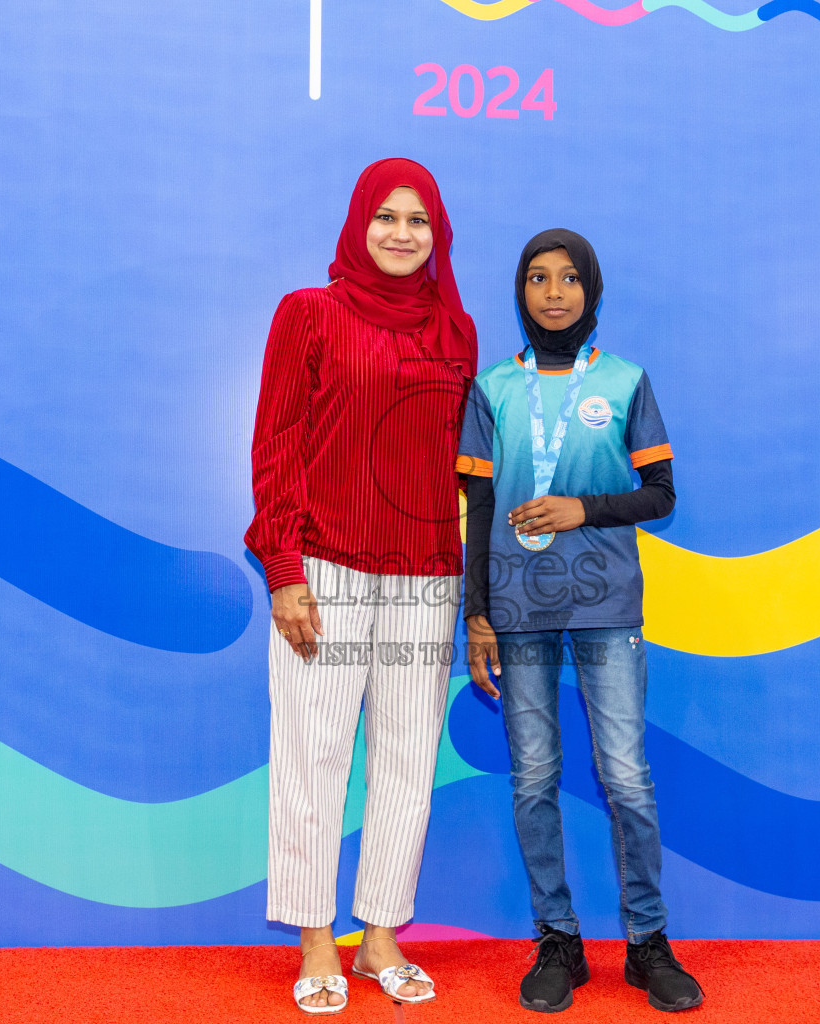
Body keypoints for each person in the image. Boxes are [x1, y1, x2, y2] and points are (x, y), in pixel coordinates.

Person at [246, 158, 476, 1014]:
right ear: (358, 222)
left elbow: (459, 465)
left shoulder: (458, 331)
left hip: (424, 576)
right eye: (387, 216)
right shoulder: (308, 313)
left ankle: (380, 936)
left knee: (409, 759)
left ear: (438, 233)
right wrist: (284, 571)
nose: (402, 234)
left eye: (419, 220)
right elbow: (275, 446)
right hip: (327, 572)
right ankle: (315, 940)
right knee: (312, 758)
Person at [457, 229, 703, 1013]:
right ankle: (557, 940)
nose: (554, 292)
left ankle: (646, 941)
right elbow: (482, 507)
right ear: (520, 292)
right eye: (538, 277)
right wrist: (478, 613)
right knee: (534, 778)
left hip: (606, 608)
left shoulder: (626, 382)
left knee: (627, 778)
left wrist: (583, 509)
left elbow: (661, 494)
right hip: (518, 608)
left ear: (590, 290)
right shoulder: (493, 387)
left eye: (569, 278)